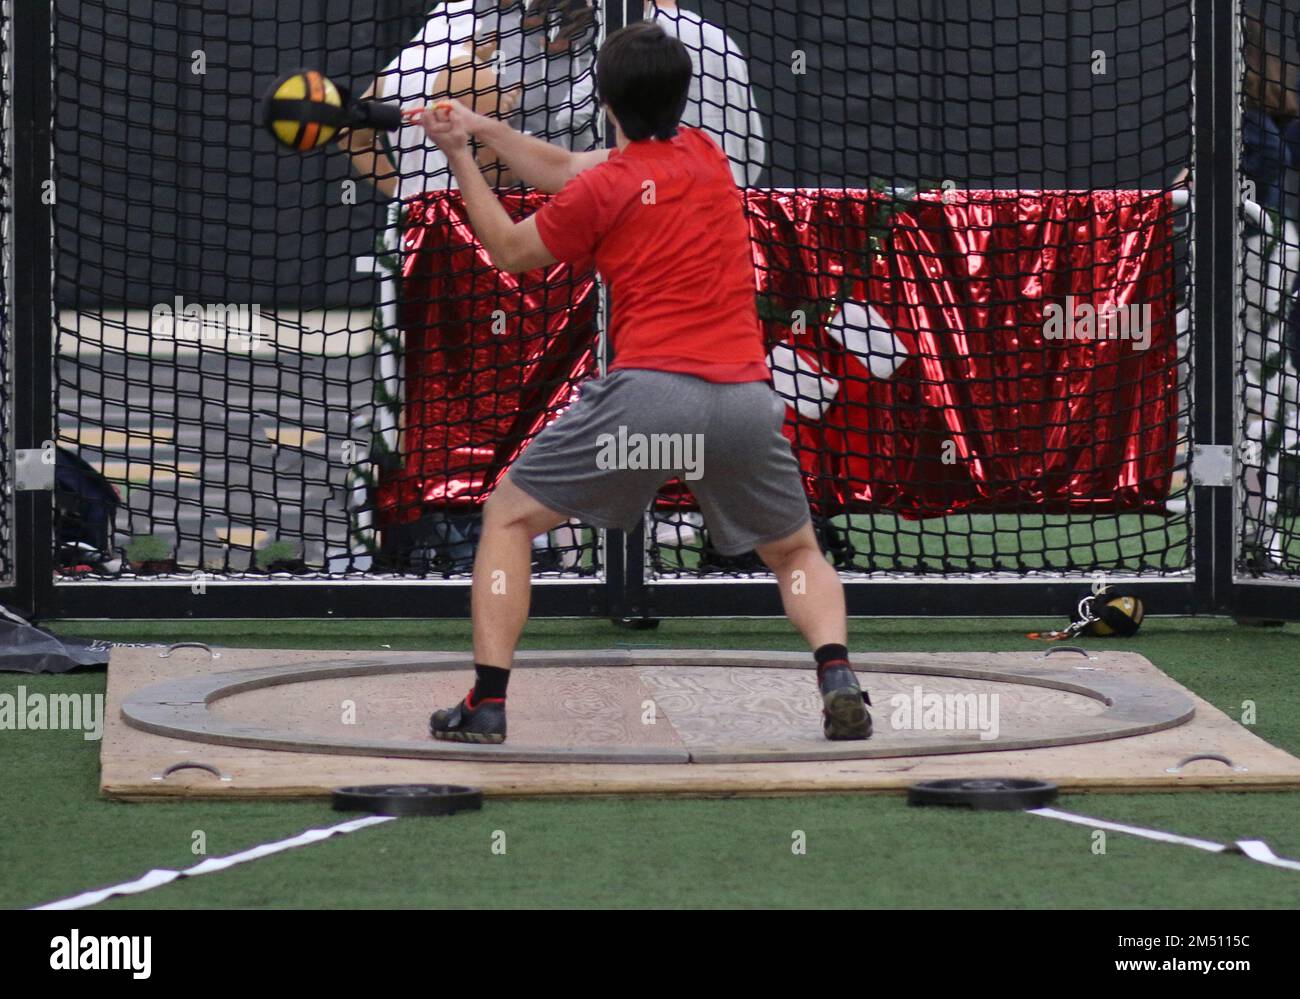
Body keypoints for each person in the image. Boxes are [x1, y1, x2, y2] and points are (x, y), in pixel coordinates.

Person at [419, 22, 870, 744]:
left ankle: (488, 702)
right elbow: (569, 166)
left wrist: (459, 158)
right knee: (794, 551)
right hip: (748, 404)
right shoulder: (706, 155)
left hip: (649, 402)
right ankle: (838, 673)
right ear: (681, 98)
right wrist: (479, 126)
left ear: (604, 101)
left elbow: (509, 250)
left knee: (507, 517)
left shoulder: (607, 188)